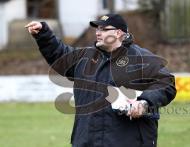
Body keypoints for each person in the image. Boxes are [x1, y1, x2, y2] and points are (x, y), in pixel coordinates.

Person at [25, 14, 176, 147]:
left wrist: (144, 103)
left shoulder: (142, 58)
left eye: (104, 29)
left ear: (118, 33)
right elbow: (59, 54)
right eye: (97, 29)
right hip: (87, 141)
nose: (98, 32)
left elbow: (166, 83)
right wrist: (43, 34)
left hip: (128, 141)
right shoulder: (84, 57)